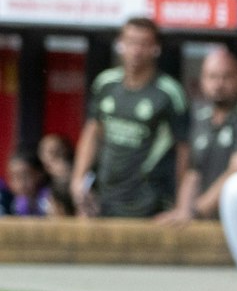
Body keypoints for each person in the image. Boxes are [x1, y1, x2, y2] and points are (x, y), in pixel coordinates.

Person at [72, 18, 190, 219]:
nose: (136, 50)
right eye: (131, 42)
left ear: (155, 48)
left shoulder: (169, 93)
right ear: (120, 44)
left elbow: (184, 150)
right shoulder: (105, 83)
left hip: (149, 201)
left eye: (143, 44)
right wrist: (78, 179)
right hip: (105, 197)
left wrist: (181, 205)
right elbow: (92, 132)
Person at [163, 47, 237, 225]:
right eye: (212, 77)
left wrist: (196, 212)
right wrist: (183, 211)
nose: (219, 84)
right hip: (209, 223)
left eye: (226, 77)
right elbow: (194, 172)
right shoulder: (201, 117)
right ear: (202, 80)